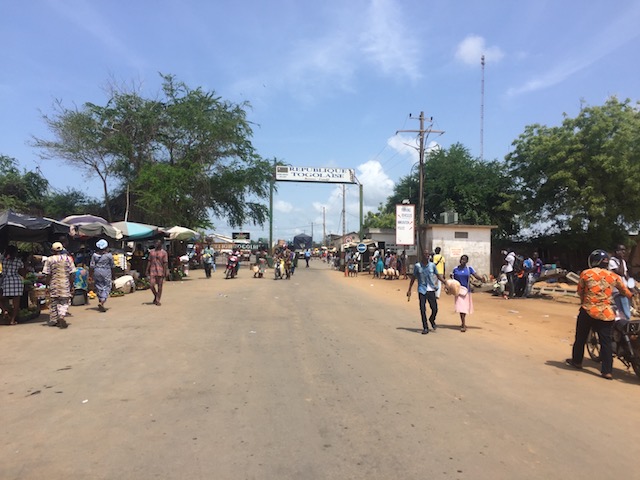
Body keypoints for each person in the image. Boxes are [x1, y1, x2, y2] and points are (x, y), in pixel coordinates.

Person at [566, 249, 633, 380]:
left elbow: (580, 291)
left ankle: (577, 361)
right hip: (606, 313)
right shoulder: (613, 276)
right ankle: (607, 371)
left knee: (580, 338)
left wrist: (585, 300)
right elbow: (625, 292)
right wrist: (632, 295)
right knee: (606, 342)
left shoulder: (586, 273)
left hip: (588, 310)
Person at [407, 250, 446, 334]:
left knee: (435, 308)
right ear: (422, 256)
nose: (427, 256)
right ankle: (425, 327)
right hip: (422, 290)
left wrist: (445, 282)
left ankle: (432, 319)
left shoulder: (432, 266)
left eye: (428, 255)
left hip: (431, 289)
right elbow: (413, 278)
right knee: (422, 309)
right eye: (425, 254)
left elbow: (438, 275)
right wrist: (409, 289)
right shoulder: (417, 266)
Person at [42, 242, 76, 328]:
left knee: (54, 301)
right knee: (65, 301)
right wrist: (72, 285)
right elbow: (72, 273)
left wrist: (47, 286)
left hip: (54, 283)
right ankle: (62, 316)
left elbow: (47, 274)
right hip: (65, 283)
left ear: (52, 250)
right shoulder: (68, 259)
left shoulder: (49, 259)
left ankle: (54, 320)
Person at [452, 254, 485, 332]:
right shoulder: (455, 269)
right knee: (461, 308)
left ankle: (463, 322)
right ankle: (463, 324)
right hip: (458, 291)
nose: (462, 261)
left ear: (467, 261)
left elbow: (475, 275)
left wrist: (481, 279)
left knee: (464, 308)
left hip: (466, 291)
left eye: (464, 259)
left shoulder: (469, 269)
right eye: (461, 259)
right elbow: (452, 279)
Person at [0, 245, 26, 325]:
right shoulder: (18, 261)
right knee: (16, 303)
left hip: (4, 281)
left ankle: (4, 310)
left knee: (2, 298)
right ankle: (12, 320)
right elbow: (22, 273)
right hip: (16, 282)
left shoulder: (2, 260)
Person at [89, 239, 115, 312]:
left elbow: (91, 266)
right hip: (106, 272)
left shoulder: (94, 255)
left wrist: (90, 275)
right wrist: (113, 276)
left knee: (99, 286)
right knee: (107, 286)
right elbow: (112, 266)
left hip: (97, 272)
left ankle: (100, 299)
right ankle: (102, 302)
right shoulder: (109, 255)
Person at [608, 244, 631, 320]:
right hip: (617, 290)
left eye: (624, 250)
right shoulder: (612, 261)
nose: (623, 252)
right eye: (622, 250)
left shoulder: (623, 261)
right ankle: (626, 327)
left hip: (624, 289)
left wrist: (632, 286)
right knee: (625, 313)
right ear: (616, 251)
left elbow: (625, 274)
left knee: (624, 310)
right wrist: (621, 260)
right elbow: (620, 272)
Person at [147, 240, 169, 306]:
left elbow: (165, 263)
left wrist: (165, 272)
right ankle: (156, 295)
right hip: (152, 270)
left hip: (160, 270)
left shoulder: (164, 253)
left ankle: (157, 300)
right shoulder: (152, 252)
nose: (156, 243)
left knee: (160, 286)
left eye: (157, 242)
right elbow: (149, 261)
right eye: (155, 242)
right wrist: (147, 269)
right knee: (151, 285)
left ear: (161, 244)